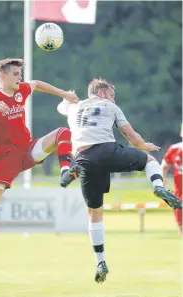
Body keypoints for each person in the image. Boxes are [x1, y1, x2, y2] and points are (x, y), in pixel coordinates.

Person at [0, 58, 80, 285]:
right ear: (2, 75)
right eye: (15, 73)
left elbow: (36, 84)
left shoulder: (21, 90)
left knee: (63, 132)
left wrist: (65, 94)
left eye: (19, 73)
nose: (19, 77)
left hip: (26, 150)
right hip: (2, 160)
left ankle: (66, 171)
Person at [58, 78, 182, 283]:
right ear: (102, 93)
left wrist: (67, 96)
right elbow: (132, 137)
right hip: (108, 150)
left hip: (84, 158)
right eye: (112, 94)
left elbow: (61, 105)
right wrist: (144, 146)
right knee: (150, 161)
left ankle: (100, 260)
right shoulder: (110, 106)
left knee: (95, 213)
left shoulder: (73, 108)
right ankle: (159, 187)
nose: (113, 98)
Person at [161, 126, 182, 234]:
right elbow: (164, 167)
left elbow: (164, 167)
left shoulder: (175, 148)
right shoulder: (174, 148)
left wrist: (162, 182)